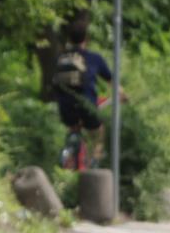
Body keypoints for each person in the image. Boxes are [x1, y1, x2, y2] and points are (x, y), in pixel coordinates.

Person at [53, 21, 125, 165]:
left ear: (69, 39)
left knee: (73, 126)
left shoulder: (61, 58)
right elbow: (112, 82)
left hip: (65, 106)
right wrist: (123, 95)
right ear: (86, 39)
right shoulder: (94, 58)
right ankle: (94, 160)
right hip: (86, 104)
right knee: (99, 131)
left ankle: (69, 151)